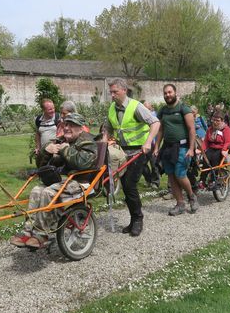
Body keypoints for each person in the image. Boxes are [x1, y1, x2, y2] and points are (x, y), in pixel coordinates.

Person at [10, 113, 97, 248]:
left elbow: (83, 163)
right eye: (66, 124)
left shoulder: (88, 142)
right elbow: (41, 165)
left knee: (48, 192)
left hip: (81, 181)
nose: (67, 128)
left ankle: (43, 234)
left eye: (72, 125)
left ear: (81, 128)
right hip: (62, 180)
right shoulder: (60, 140)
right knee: (36, 191)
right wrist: (46, 150)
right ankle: (28, 230)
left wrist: (65, 150)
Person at [104, 78, 160, 236]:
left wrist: (148, 142)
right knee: (125, 186)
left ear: (124, 91)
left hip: (138, 151)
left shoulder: (136, 107)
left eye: (115, 92)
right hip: (122, 152)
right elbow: (107, 128)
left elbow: (155, 123)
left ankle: (138, 219)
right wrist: (103, 144)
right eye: (111, 92)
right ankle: (133, 219)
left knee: (130, 185)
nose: (112, 95)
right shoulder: (112, 108)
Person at [154, 84, 198, 216]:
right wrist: (156, 146)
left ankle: (191, 196)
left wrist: (191, 149)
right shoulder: (163, 111)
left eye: (169, 92)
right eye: (165, 93)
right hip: (168, 147)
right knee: (171, 176)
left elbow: (191, 129)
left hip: (183, 147)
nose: (167, 95)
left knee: (180, 174)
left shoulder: (184, 109)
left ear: (175, 92)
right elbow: (161, 129)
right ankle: (180, 204)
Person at [199, 111, 230, 187]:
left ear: (222, 121)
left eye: (217, 121)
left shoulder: (226, 129)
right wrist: (201, 150)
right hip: (212, 148)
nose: (215, 122)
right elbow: (206, 142)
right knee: (205, 159)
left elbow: (228, 141)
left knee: (215, 160)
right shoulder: (210, 129)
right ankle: (202, 180)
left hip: (220, 149)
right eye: (214, 120)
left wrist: (224, 149)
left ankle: (213, 180)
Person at [140, 101, 161, 189]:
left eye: (147, 108)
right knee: (142, 164)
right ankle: (148, 180)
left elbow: (158, 131)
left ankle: (155, 182)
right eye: (144, 108)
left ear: (151, 108)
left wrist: (156, 146)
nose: (145, 110)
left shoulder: (155, 116)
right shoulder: (141, 116)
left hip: (153, 144)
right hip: (143, 144)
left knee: (154, 164)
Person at [34, 99, 60, 165]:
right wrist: (37, 148)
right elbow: (38, 134)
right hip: (44, 152)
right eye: (50, 109)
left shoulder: (58, 118)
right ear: (44, 110)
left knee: (54, 170)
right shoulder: (38, 119)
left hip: (55, 152)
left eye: (53, 108)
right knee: (42, 169)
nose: (53, 111)